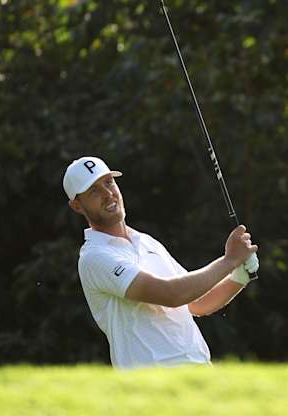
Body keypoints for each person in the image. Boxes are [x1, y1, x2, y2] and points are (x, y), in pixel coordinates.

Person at [62, 156, 259, 370]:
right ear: (77, 206)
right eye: (94, 191)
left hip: (199, 370)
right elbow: (171, 294)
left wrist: (239, 276)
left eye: (109, 182)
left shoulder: (146, 241)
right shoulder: (94, 257)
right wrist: (229, 260)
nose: (108, 194)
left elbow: (197, 303)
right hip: (152, 384)